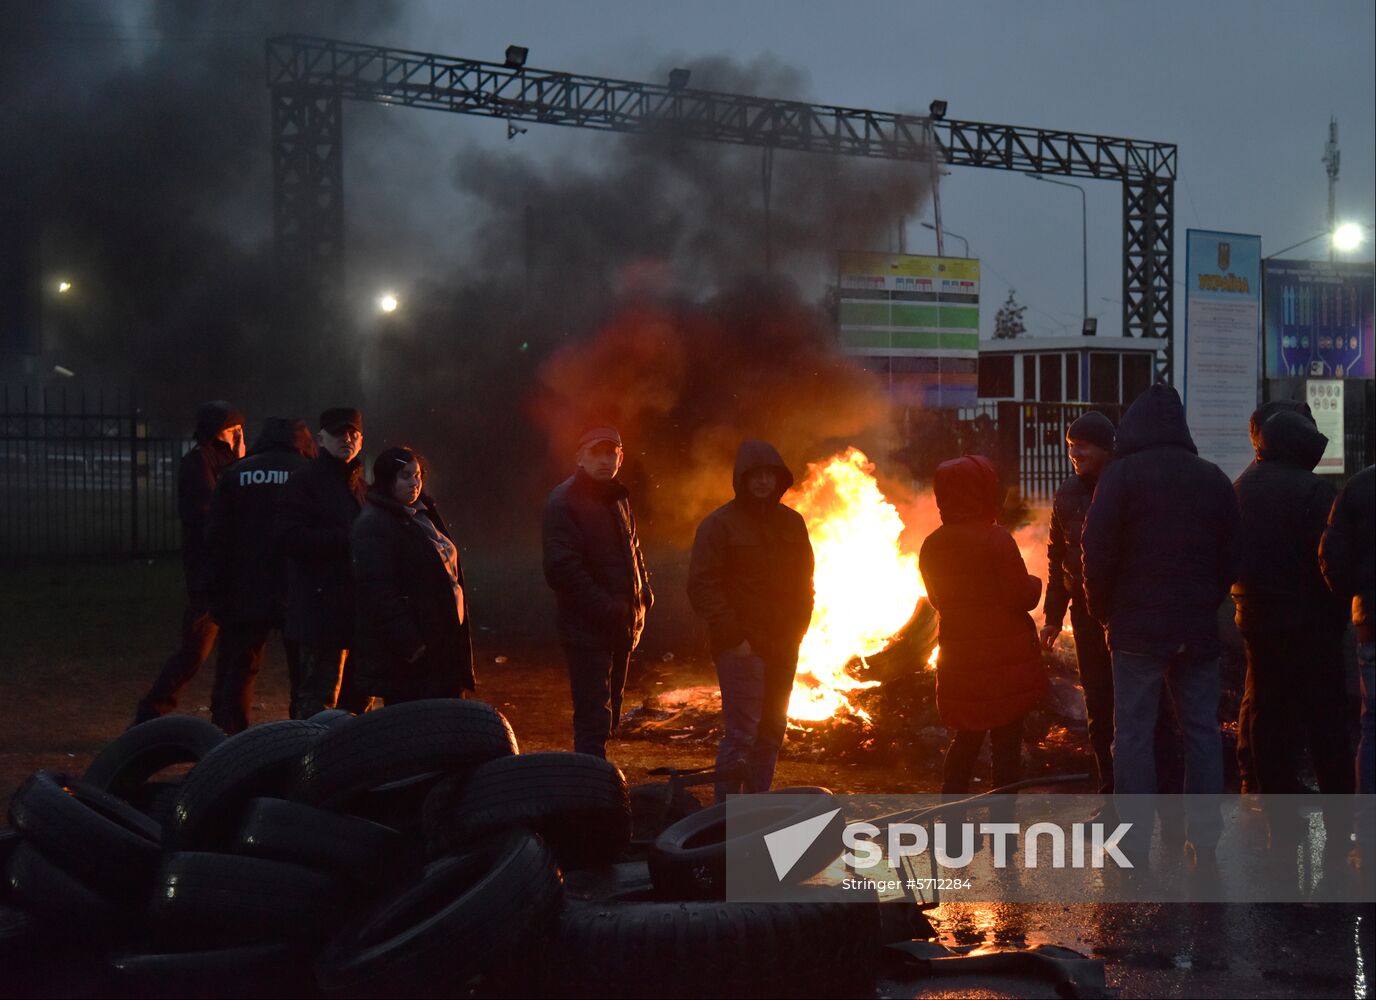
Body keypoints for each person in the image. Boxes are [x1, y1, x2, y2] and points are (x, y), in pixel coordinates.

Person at [1082, 384, 1239, 865]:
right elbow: (1231, 555)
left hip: (1136, 632)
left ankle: (1131, 840)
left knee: (1131, 733)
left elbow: (1096, 549)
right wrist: (1205, 603)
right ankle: (1205, 839)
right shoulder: (1212, 478)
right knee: (1201, 732)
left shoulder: (1121, 477)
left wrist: (1103, 610)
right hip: (1195, 629)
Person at [1041, 412, 1184, 799]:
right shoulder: (1068, 493)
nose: (1075, 452)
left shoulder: (1130, 486)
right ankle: (1111, 798)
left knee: (1148, 710)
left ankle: (1169, 798)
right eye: (1070, 446)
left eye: (1082, 445)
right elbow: (1059, 557)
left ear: (1106, 447)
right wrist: (1053, 615)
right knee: (1100, 708)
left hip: (1129, 616)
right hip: (1087, 618)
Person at [1232, 410, 1352, 839]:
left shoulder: (1241, 488)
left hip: (1257, 619)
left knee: (1268, 713)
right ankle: (1340, 815)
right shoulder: (1316, 490)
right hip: (1311, 621)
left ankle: (1277, 810)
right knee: (1326, 716)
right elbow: (1330, 558)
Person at [689, 440, 814, 801]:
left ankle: (755, 808)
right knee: (742, 733)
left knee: (772, 731)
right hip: (741, 648)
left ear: (779, 479)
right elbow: (702, 586)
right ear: (742, 479)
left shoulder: (792, 522)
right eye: (754, 475)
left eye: (769, 475)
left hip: (783, 645)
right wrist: (735, 637)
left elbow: (805, 582)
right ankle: (723, 819)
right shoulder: (719, 525)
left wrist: (798, 631)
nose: (762, 482)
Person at [920, 454, 1046, 794]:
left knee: (965, 739)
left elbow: (937, 600)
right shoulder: (996, 539)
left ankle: (955, 823)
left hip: (960, 657)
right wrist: (1035, 582)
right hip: (1003, 659)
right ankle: (1002, 830)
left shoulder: (931, 544)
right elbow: (1023, 596)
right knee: (1006, 746)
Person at [542, 427, 653, 758]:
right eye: (597, 454)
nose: (605, 461)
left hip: (619, 624)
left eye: (611, 454)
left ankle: (598, 785)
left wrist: (643, 592)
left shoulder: (617, 497)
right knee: (592, 717)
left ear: (620, 458)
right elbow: (562, 570)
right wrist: (609, 608)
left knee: (609, 713)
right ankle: (589, 791)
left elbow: (632, 547)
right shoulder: (565, 501)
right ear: (580, 457)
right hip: (587, 629)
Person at [133, 400, 244, 725]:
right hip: (208, 573)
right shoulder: (198, 462)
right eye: (233, 429)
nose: (240, 435)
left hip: (230, 571)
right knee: (195, 649)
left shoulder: (230, 463)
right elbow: (206, 515)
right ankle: (151, 712)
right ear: (217, 431)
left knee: (233, 650)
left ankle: (223, 713)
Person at [203, 417, 316, 734]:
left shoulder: (236, 473)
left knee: (239, 668)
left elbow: (215, 536)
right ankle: (306, 738)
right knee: (303, 673)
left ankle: (229, 738)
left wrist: (216, 587)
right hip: (298, 586)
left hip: (245, 586)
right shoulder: (310, 475)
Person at [351, 447, 475, 704]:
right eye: (405, 476)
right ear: (388, 479)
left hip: (442, 642)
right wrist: (411, 643)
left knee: (447, 718)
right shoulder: (375, 524)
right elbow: (377, 591)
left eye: (417, 475)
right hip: (414, 653)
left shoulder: (423, 513)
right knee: (417, 724)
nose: (414, 483)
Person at [1235, 398, 1314, 791]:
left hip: (1253, 609)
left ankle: (1258, 779)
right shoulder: (1308, 488)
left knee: (1261, 696)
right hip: (1292, 612)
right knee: (1276, 702)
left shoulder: (1243, 486)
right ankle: (1268, 781)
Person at [279, 407, 369, 720]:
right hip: (321, 612)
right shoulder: (305, 482)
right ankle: (308, 764)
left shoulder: (360, 485)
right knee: (318, 703)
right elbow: (291, 538)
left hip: (354, 611)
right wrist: (347, 538)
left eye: (354, 433)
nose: (348, 439)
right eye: (339, 433)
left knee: (357, 699)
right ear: (321, 439)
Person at [1320, 463, 1375, 855]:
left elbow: (1332, 556)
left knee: (1373, 726)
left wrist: (1354, 596)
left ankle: (1368, 830)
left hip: (1373, 620)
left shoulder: (1358, 487)